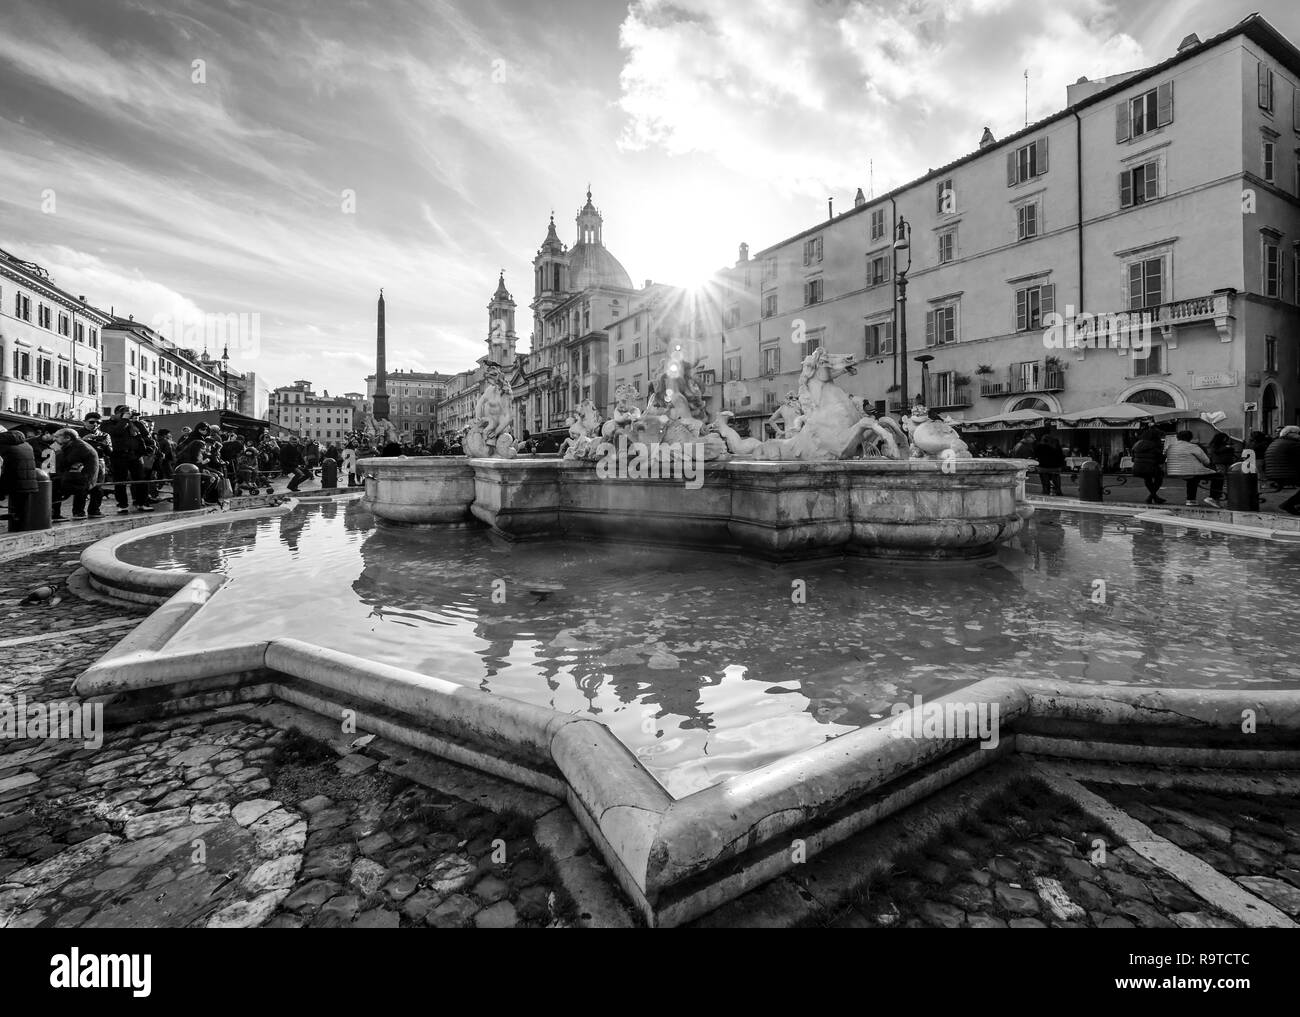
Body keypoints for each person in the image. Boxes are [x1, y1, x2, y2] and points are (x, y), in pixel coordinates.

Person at [100, 404, 153, 513]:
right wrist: (124, 420)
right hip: (118, 456)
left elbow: (145, 434)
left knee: (140, 479)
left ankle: (141, 503)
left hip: (135, 456)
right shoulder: (107, 424)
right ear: (118, 414)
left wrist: (137, 422)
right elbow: (115, 432)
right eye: (126, 413)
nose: (129, 415)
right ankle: (122, 505)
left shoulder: (132, 424)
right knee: (120, 481)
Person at [49, 428, 99, 521]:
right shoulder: (74, 445)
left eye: (57, 437)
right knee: (54, 479)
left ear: (67, 438)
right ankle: (63, 513)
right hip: (78, 476)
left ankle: (56, 514)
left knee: (54, 484)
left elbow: (65, 462)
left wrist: (57, 450)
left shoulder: (79, 447)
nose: (54, 439)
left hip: (84, 479)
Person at [0, 425, 38, 528]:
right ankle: (19, 522)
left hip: (11, 479)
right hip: (28, 481)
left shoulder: (3, 444)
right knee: (20, 507)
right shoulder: (25, 444)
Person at [1165, 429, 1214, 506]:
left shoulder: (1171, 447)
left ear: (1177, 438)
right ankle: (1213, 497)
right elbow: (1206, 461)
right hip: (1190, 471)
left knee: (1192, 478)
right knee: (1218, 476)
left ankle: (1191, 500)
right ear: (1190, 438)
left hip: (1173, 471)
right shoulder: (1193, 446)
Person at [1264, 424, 1300, 515]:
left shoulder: (1277, 442)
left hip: (1274, 473)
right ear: (1290, 433)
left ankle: (1292, 505)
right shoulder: (1292, 443)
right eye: (1298, 433)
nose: (1299, 435)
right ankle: (1288, 504)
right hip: (1286, 474)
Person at [81, 412, 112, 517]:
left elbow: (110, 452)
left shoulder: (104, 435)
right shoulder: (78, 433)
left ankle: (94, 510)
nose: (95, 424)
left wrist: (104, 445)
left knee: (98, 488)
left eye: (98, 423)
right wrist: (83, 440)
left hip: (99, 461)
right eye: (91, 422)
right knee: (82, 487)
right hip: (82, 462)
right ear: (84, 422)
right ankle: (78, 511)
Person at [1130, 426, 1167, 505]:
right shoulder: (1155, 445)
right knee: (1159, 478)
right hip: (1151, 468)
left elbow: (1132, 458)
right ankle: (1151, 496)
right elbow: (1160, 460)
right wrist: (1165, 455)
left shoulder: (1137, 444)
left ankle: (1153, 497)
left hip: (1137, 468)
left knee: (1147, 478)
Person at [1203, 432, 1237, 509]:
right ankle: (1215, 498)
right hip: (1220, 462)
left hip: (1224, 462)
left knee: (1221, 478)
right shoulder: (1217, 445)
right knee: (1220, 477)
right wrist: (1228, 448)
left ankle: (1217, 501)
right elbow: (1217, 451)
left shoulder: (1218, 445)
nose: (1226, 440)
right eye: (1225, 438)